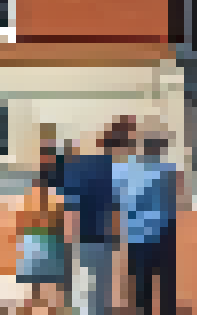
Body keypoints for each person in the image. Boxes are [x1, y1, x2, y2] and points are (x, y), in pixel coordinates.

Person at [59, 121, 125, 315]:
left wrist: (68, 237)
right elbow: (117, 211)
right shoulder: (118, 172)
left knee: (81, 292)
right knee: (99, 293)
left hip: (80, 237)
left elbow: (69, 207)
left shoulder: (80, 165)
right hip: (101, 238)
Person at [114, 126, 179, 315]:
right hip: (163, 232)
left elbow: (119, 201)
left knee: (142, 284)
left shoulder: (125, 169)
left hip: (137, 235)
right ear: (159, 149)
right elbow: (171, 203)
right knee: (166, 282)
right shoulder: (168, 171)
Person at [14, 143, 70, 314]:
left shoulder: (57, 183)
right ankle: (38, 305)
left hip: (47, 234)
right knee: (37, 282)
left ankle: (50, 306)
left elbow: (60, 213)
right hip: (38, 234)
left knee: (50, 281)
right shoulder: (37, 185)